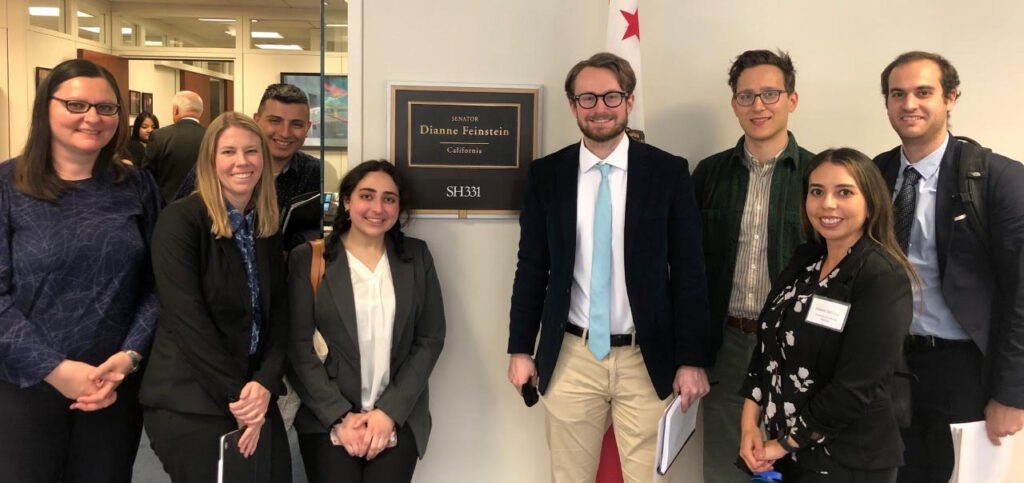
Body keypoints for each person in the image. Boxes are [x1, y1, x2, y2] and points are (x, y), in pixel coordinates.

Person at [507, 52, 712, 483]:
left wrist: (692, 358)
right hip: (572, 356)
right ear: (572, 106)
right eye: (587, 98)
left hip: (647, 356)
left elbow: (690, 271)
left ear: (629, 101)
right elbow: (532, 268)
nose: (600, 107)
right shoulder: (548, 175)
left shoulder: (668, 173)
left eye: (611, 96)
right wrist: (520, 349)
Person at [0, 58, 161, 482]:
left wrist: (129, 356)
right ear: (45, 108)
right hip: (24, 387)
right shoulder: (6, 187)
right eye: (76, 105)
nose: (93, 118)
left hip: (113, 386)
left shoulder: (138, 187)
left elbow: (157, 285)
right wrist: (56, 369)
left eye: (106, 108)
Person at [872, 51, 1024, 482]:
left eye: (924, 92)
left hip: (964, 371)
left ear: (951, 98)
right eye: (897, 94)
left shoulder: (998, 178)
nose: (909, 104)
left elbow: (1021, 293)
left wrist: (1012, 393)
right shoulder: (875, 174)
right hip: (890, 365)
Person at [739, 148, 914, 481]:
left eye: (844, 192)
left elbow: (855, 386)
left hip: (847, 460)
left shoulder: (882, 276)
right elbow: (768, 344)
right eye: (817, 191)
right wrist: (749, 424)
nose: (827, 204)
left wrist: (782, 445)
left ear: (871, 202)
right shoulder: (806, 260)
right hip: (786, 453)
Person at [139, 112, 291, 482]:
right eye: (229, 152)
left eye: (252, 151)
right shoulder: (181, 221)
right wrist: (240, 398)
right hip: (191, 399)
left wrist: (266, 383)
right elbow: (188, 323)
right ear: (210, 160)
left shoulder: (264, 227)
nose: (242, 161)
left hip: (253, 396)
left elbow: (280, 316)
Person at [692, 49, 814, 482]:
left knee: (799, 462)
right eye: (747, 96)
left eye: (769, 94)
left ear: (792, 100)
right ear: (734, 105)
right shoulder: (708, 175)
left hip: (798, 347)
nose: (758, 106)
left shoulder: (819, 175)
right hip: (728, 342)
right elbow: (688, 265)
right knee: (728, 464)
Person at [286, 160, 445, 483]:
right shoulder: (310, 259)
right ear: (346, 200)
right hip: (328, 418)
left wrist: (389, 413)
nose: (378, 207)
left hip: (397, 417)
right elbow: (297, 346)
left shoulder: (416, 258)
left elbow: (430, 338)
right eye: (367, 196)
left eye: (389, 198)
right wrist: (340, 417)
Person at [175, 83, 323, 214]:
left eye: (296, 124)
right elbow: (177, 219)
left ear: (308, 127)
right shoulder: (216, 167)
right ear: (256, 121)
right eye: (275, 121)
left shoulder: (315, 172)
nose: (285, 132)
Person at [143, 90, 204, 203]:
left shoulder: (159, 136)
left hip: (165, 207)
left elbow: (146, 176)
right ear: (200, 112)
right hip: (203, 205)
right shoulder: (212, 137)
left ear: (176, 110)